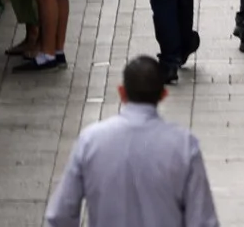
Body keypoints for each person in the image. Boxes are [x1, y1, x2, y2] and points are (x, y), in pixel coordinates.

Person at [44, 56, 220, 227]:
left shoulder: (91, 140)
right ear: (163, 94)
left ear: (122, 92)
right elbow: (203, 220)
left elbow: (60, 215)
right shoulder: (184, 145)